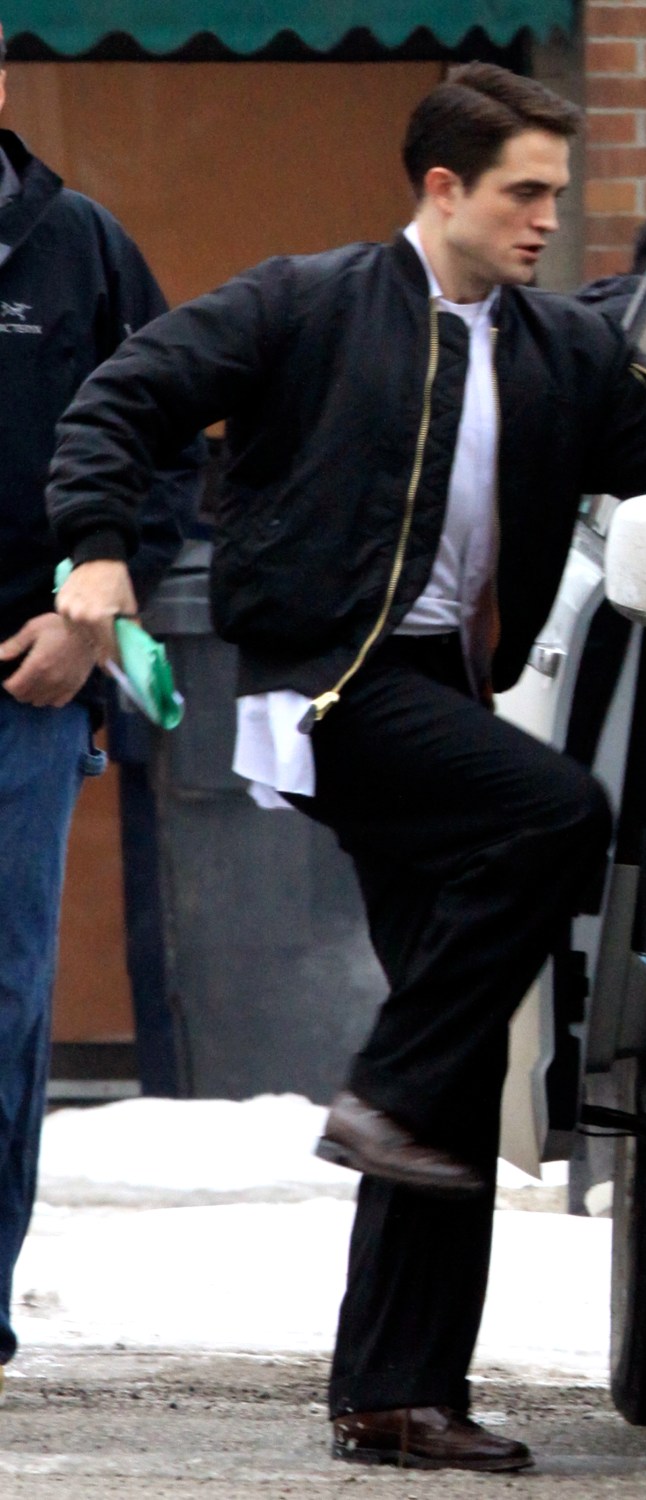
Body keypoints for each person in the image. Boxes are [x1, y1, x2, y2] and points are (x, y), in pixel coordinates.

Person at [45, 63, 646, 1470]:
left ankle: (396, 1393)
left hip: (442, 689)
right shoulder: (306, 303)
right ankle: (388, 1095)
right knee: (556, 812)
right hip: (329, 682)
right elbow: (120, 400)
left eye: (555, 192)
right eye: (524, 193)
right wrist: (101, 549)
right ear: (444, 187)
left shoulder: (561, 350)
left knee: (451, 1065)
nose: (547, 217)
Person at [0, 22, 199, 1399]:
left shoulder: (79, 251)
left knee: (4, 1005)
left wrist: (90, 615)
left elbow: (165, 452)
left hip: (21, 687)